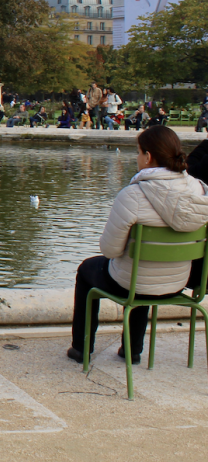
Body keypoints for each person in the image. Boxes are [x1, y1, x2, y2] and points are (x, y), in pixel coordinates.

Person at [67, 127, 208, 365]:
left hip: (135, 283)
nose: (136, 157)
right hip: (177, 282)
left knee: (89, 270)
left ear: (149, 156)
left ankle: (81, 348)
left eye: (138, 152)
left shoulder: (133, 195)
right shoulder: (200, 190)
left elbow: (109, 250)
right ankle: (132, 350)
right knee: (143, 267)